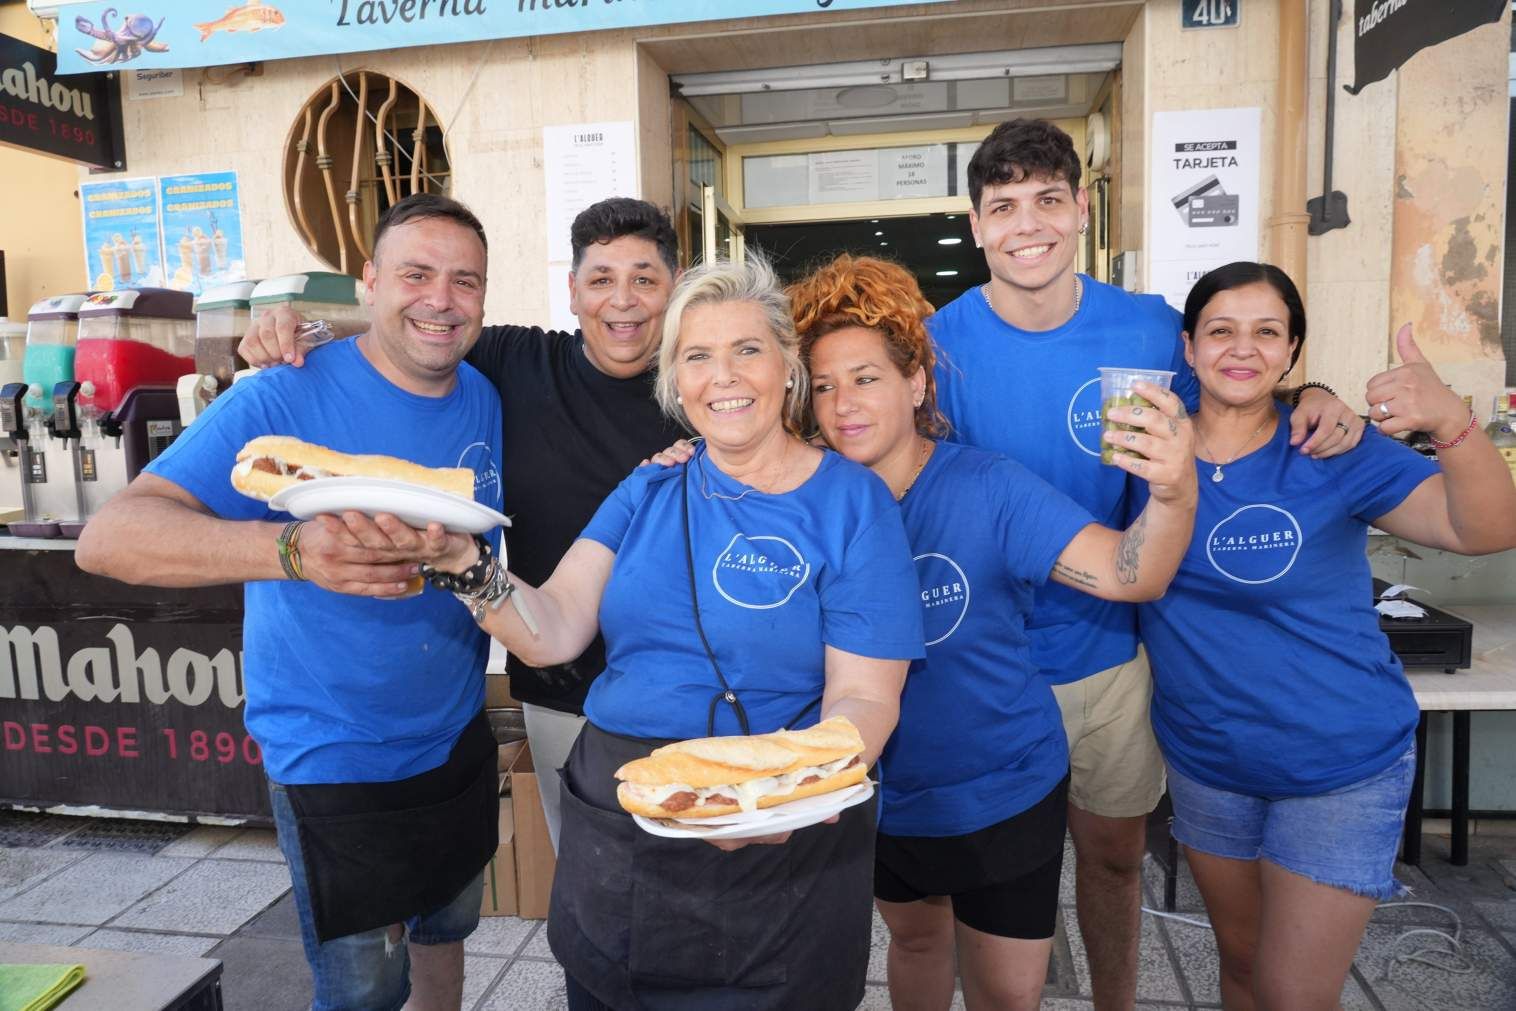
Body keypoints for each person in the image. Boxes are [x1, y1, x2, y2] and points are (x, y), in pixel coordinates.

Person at [927, 117, 1367, 1009]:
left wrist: (1311, 393)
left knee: (1114, 858)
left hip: (1112, 650)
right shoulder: (935, 345)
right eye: (1003, 206)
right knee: (971, 877)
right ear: (975, 224)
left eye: (1048, 199)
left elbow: (1239, 395)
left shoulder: (1153, 327)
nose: (1028, 224)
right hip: (981, 662)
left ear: (1081, 209)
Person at [421, 255, 924, 1010]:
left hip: (783, 825)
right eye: (697, 356)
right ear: (675, 380)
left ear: (787, 366)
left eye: (746, 350)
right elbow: (551, 628)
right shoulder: (649, 484)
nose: (723, 376)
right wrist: (463, 563)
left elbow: (865, 698)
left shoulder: (855, 504)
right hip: (624, 823)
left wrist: (778, 800)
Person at [75, 194, 505, 1010]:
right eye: (416, 274)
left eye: (465, 280)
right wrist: (288, 549)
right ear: (369, 283)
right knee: (363, 991)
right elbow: (113, 538)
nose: (441, 299)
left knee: (447, 939)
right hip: (334, 754)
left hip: (453, 738)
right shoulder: (282, 393)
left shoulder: (481, 394)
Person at [239, 197, 686, 851]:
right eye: (601, 279)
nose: (622, 301)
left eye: (644, 278)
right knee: (595, 890)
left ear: (673, 287)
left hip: (685, 685)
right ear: (572, 290)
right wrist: (295, 329)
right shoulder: (514, 360)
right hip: (559, 683)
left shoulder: (705, 387)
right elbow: (407, 332)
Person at [1135, 261, 1516, 1010]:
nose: (1241, 348)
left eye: (1267, 332)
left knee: (1292, 992)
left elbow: (1487, 527)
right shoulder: (1148, 437)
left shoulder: (1329, 444)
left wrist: (1452, 423)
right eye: (1221, 330)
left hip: (1340, 762)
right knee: (1240, 967)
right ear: (1187, 346)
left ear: (1292, 351)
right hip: (1209, 759)